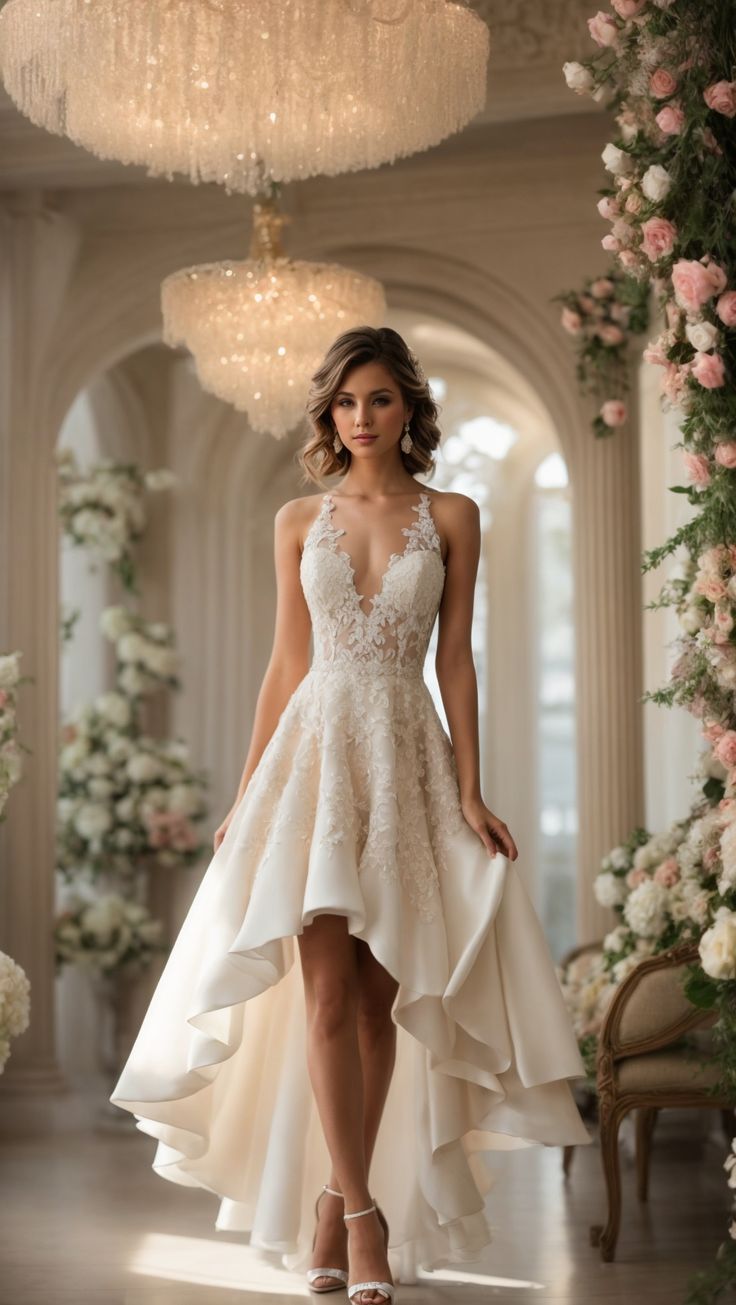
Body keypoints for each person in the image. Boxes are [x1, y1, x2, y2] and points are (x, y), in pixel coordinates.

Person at [111, 326, 591, 1305]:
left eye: (377, 399)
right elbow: (285, 666)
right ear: (327, 415)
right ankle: (361, 1219)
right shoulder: (297, 520)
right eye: (343, 403)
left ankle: (337, 1197)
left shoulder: (451, 515)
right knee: (325, 999)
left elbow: (455, 659)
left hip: (407, 757)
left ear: (407, 406)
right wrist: (249, 793)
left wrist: (469, 787)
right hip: (315, 758)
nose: (360, 418)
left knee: (379, 1006)